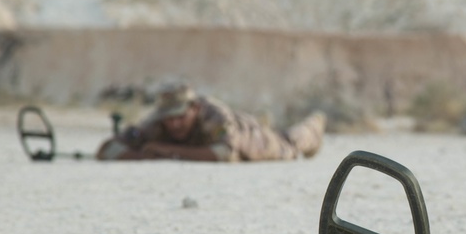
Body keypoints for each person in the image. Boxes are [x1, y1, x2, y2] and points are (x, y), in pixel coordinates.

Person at [96, 83, 326, 162]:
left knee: (290, 144)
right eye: (169, 119)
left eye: (180, 117)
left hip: (252, 137)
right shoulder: (156, 121)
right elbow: (107, 149)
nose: (174, 124)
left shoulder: (214, 114)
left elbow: (226, 154)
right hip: (234, 137)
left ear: (194, 109)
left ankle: (314, 125)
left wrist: (166, 150)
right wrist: (142, 156)